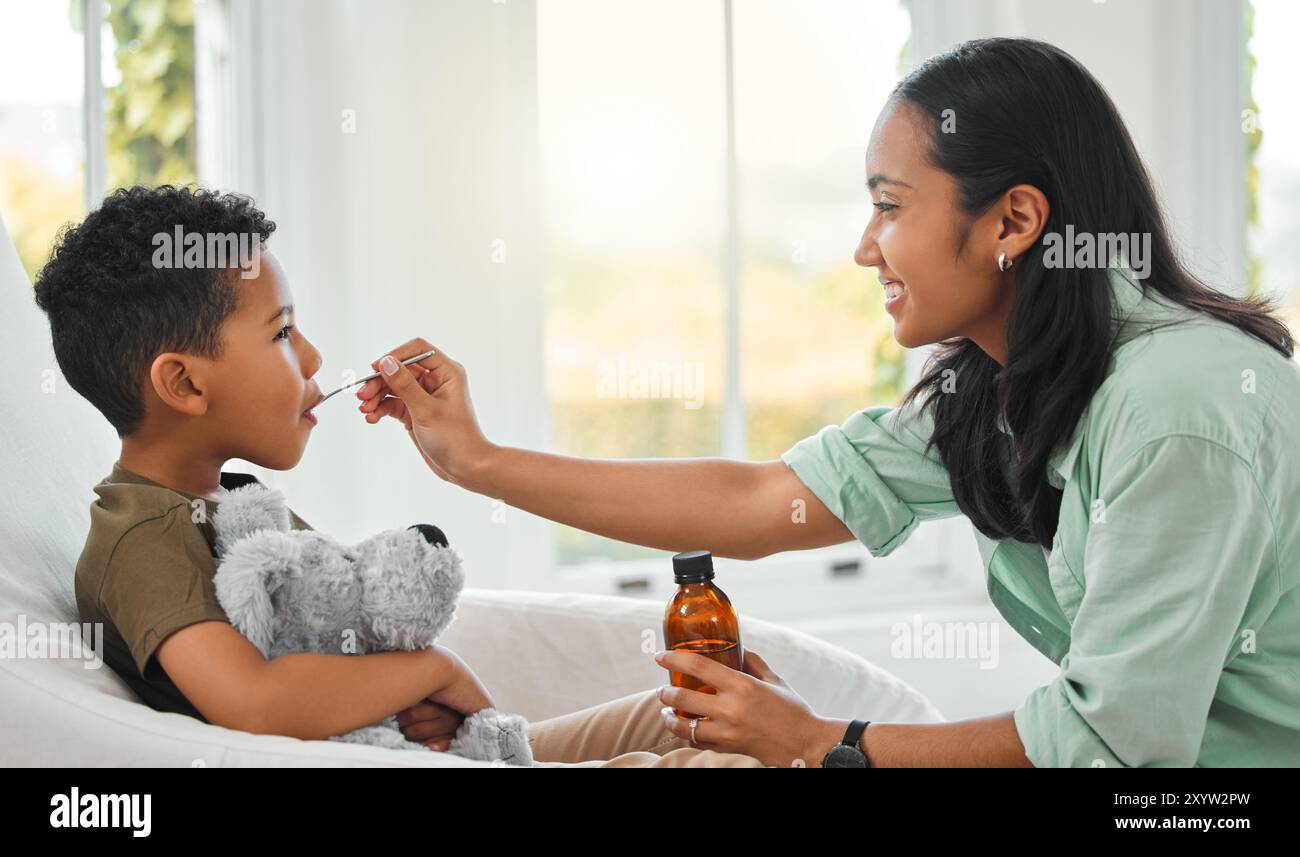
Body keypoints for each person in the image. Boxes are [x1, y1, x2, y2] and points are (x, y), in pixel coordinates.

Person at [361, 38, 1300, 767]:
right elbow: (759, 501)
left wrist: (822, 741)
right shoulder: (1005, 386)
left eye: (890, 206)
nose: (864, 247)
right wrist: (473, 460)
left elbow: (1113, 748)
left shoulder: (1181, 409)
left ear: (1014, 221)